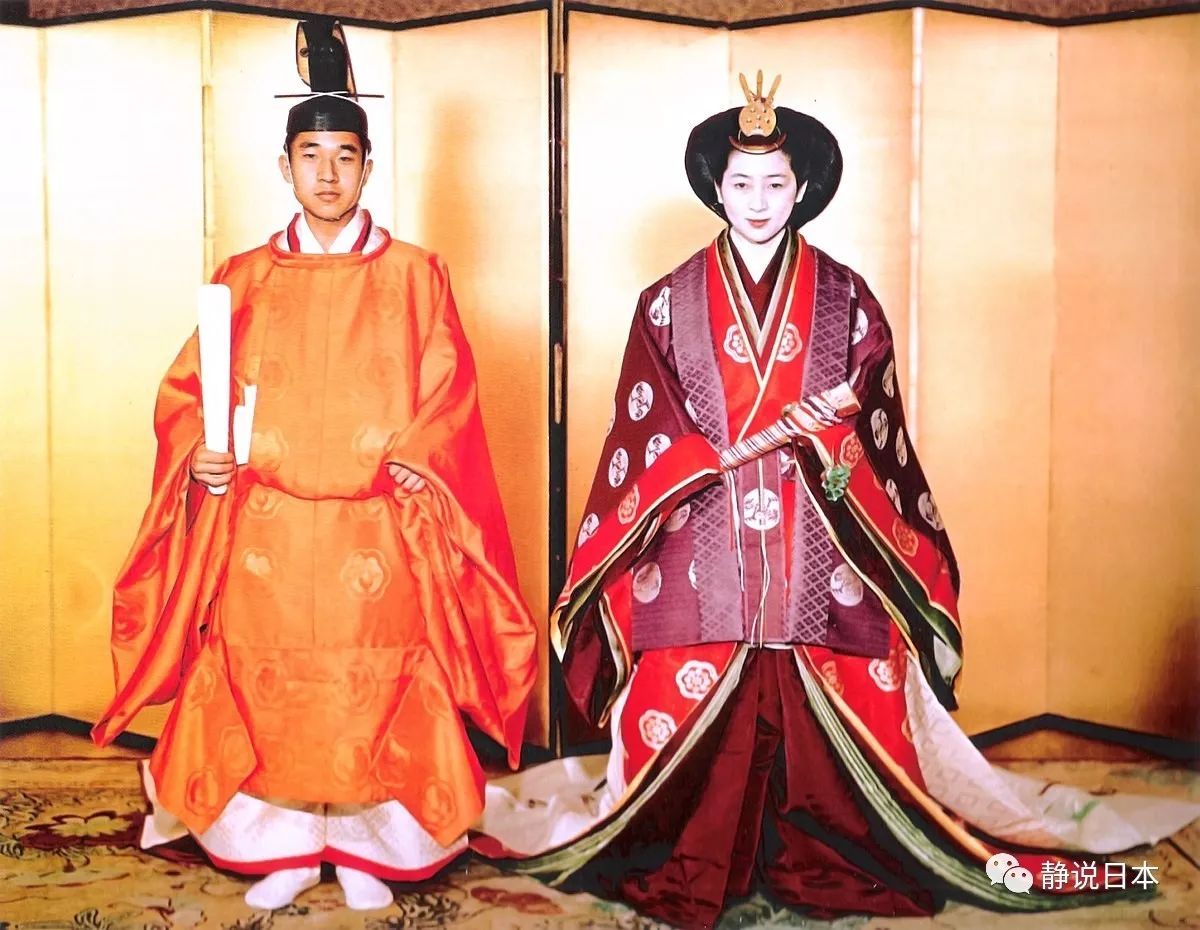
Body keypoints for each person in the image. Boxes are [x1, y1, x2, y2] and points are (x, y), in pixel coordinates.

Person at [480, 72, 1199, 928]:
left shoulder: (847, 296)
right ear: (716, 188)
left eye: (775, 183)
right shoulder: (666, 303)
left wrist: (831, 435)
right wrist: (703, 456)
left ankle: (824, 845)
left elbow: (877, 427)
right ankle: (697, 847)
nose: (758, 201)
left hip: (816, 533)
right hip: (702, 532)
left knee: (849, 682)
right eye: (741, 183)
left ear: (803, 189)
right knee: (682, 673)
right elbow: (644, 426)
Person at [91, 19, 538, 912]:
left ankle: (372, 847)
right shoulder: (244, 277)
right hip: (268, 525)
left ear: (368, 169)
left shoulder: (416, 275)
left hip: (376, 525)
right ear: (285, 166)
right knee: (272, 690)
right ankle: (282, 846)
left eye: (345, 157)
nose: (327, 174)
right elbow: (189, 394)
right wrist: (200, 455)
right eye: (310, 156)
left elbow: (450, 392)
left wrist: (417, 460)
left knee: (376, 686)